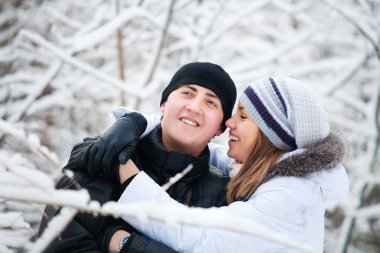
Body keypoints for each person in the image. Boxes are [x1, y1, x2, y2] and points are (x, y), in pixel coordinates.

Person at [113, 77, 349, 253]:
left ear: (271, 136)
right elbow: (206, 150)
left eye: (243, 117)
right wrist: (138, 124)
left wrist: (126, 169)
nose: (229, 122)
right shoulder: (271, 173)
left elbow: (199, 236)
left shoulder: (288, 199)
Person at [37, 62, 237, 253]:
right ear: (164, 104)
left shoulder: (226, 198)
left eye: (211, 102)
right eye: (187, 93)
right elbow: (60, 243)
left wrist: (125, 244)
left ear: (220, 128)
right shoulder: (101, 160)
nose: (194, 107)